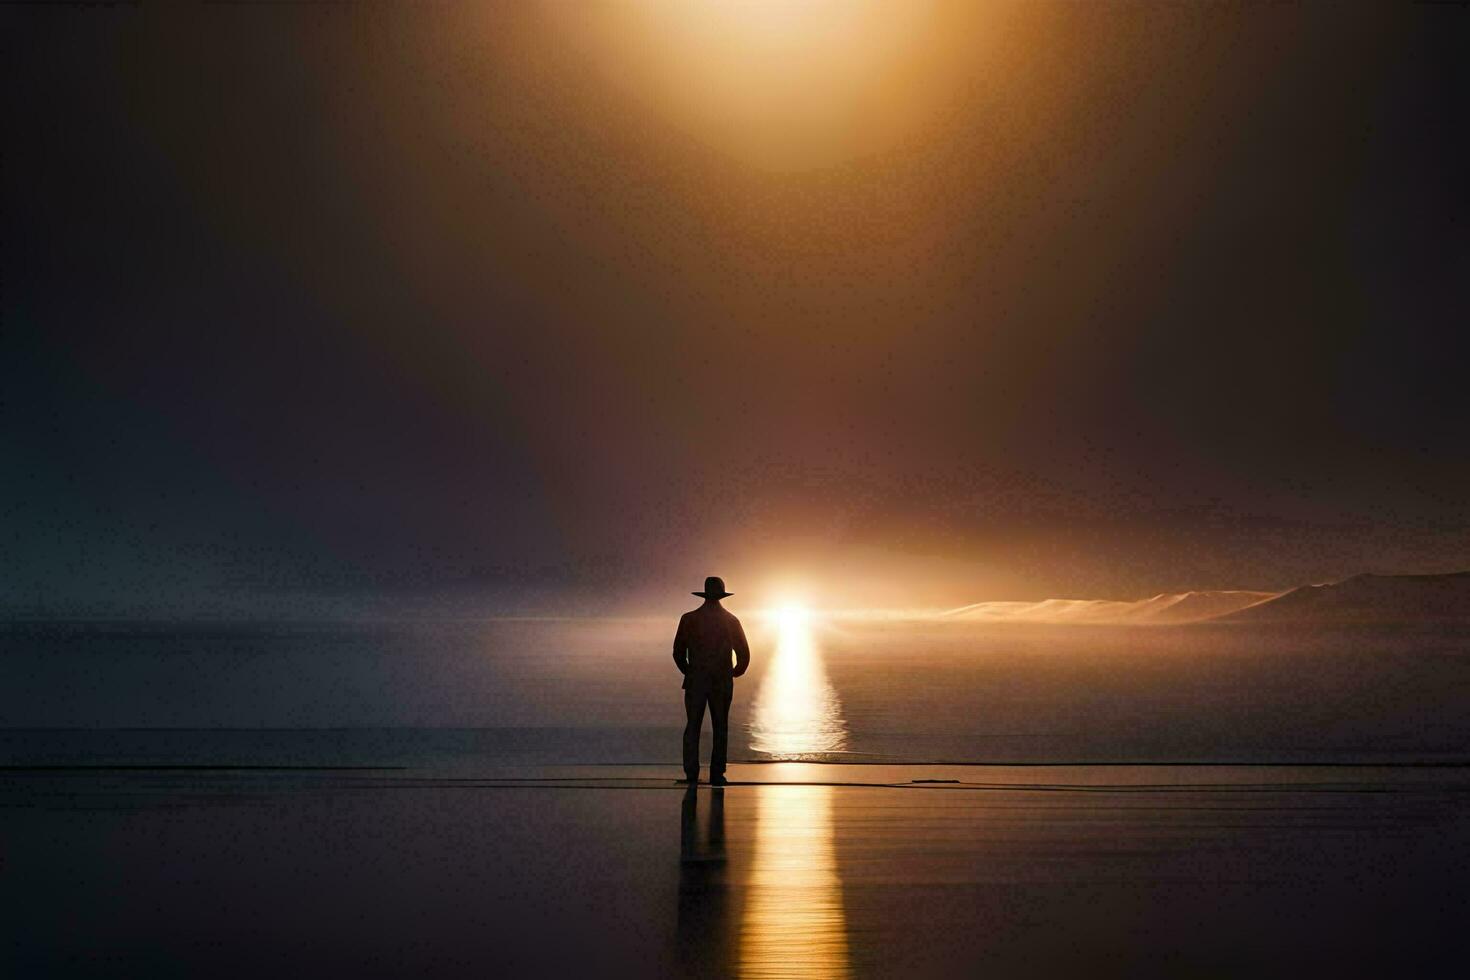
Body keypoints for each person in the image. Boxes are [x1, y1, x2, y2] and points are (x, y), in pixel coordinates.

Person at [672, 576, 750, 786]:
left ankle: (691, 773)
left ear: (705, 595)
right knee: (720, 726)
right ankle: (718, 772)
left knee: (693, 726)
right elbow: (743, 654)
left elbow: (678, 653)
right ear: (722, 595)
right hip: (721, 681)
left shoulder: (689, 619)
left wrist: (689, 672)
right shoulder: (731, 620)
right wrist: (734, 672)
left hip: (696, 681)